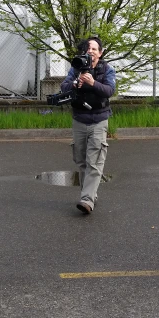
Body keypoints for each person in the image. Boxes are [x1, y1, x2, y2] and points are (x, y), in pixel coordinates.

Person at [60, 36, 116, 214]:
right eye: (88, 48)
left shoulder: (107, 69)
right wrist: (76, 83)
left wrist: (93, 83)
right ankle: (90, 193)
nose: (90, 51)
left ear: (100, 52)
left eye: (94, 49)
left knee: (95, 161)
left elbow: (109, 91)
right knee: (81, 160)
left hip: (99, 120)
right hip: (79, 119)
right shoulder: (76, 67)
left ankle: (87, 199)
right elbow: (64, 87)